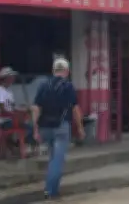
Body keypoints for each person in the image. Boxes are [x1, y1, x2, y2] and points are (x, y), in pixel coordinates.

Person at [31, 58, 84, 200]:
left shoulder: (43, 85)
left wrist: (35, 128)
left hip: (45, 127)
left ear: (53, 71)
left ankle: (52, 188)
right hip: (61, 128)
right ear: (66, 71)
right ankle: (51, 191)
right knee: (57, 160)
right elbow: (75, 109)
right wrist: (80, 128)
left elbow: (36, 108)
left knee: (53, 157)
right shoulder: (68, 86)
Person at [0, 67, 35, 150]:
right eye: (11, 77)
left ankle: (19, 145)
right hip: (4, 121)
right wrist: (16, 116)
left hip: (11, 118)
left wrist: (22, 111)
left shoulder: (9, 91)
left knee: (30, 121)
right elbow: (2, 111)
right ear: (5, 78)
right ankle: (24, 146)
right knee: (29, 127)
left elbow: (12, 107)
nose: (13, 79)